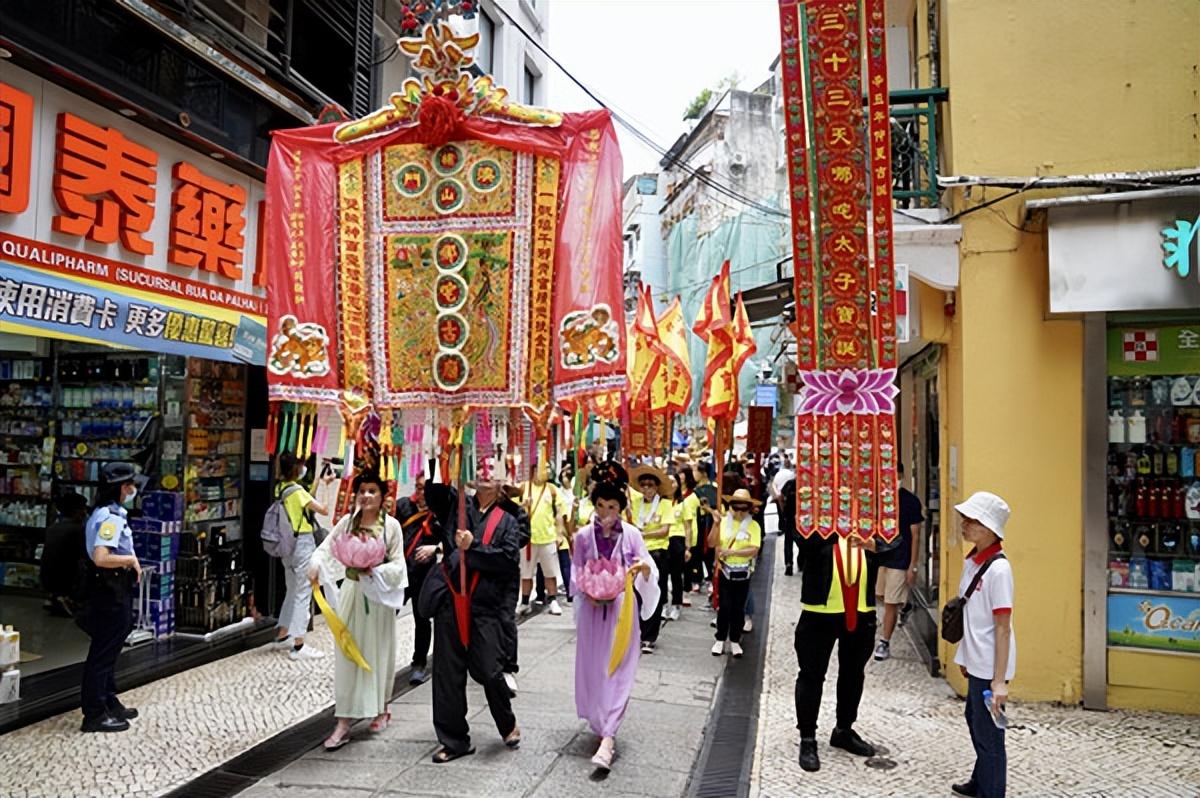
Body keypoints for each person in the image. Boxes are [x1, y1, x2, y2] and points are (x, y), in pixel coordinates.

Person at [419, 471, 522, 762]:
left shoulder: (509, 520)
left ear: (502, 483)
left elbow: (506, 561)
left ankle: (506, 721)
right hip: (451, 600)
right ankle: (454, 741)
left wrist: (472, 547)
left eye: (492, 470)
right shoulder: (457, 503)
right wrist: (436, 455)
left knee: (489, 670)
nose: (484, 473)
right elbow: (436, 492)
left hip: (485, 606)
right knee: (447, 673)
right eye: (480, 467)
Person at [307, 471, 408, 750]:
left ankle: (381, 707)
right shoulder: (346, 522)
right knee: (348, 655)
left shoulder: (392, 527)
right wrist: (315, 564)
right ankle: (344, 719)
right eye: (362, 491)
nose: (366, 496)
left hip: (377, 599)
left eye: (372, 491)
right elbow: (326, 548)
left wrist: (375, 570)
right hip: (351, 594)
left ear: (382, 496)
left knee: (378, 652)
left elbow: (400, 566)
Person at [571, 462, 658, 771]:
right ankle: (600, 723)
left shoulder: (632, 534)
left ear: (621, 507)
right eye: (601, 505)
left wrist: (642, 570)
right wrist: (586, 589)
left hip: (622, 609)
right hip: (593, 610)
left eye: (612, 506)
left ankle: (609, 736)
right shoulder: (583, 536)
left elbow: (647, 564)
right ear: (594, 505)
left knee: (618, 667)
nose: (606, 511)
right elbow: (576, 570)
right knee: (595, 669)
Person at [793, 531, 880, 772]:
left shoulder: (869, 511)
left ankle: (844, 729)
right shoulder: (818, 506)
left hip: (862, 609)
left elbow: (895, 541)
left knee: (854, 673)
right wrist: (833, 528)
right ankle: (808, 737)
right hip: (819, 609)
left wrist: (875, 545)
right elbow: (800, 536)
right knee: (811, 674)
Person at [951, 492, 1015, 798]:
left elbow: (1002, 628)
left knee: (990, 737)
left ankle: (991, 791)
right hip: (976, 661)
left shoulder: (999, 571)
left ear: (990, 528)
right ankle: (979, 782)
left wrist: (999, 681)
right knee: (975, 721)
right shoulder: (974, 561)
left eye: (972, 520)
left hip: (990, 667)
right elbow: (971, 615)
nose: (964, 524)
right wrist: (963, 654)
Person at [79, 463, 147, 733]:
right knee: (103, 652)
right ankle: (94, 714)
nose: (133, 490)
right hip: (110, 589)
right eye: (130, 485)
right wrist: (130, 560)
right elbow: (101, 557)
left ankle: (108, 701)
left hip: (110, 589)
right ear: (121, 487)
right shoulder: (110, 517)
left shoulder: (106, 513)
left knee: (109, 649)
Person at [271, 451, 331, 660]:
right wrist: (326, 488)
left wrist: (319, 482)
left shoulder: (282, 489)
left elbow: (306, 498)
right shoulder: (297, 492)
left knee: (292, 589)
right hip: (302, 545)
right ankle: (298, 645)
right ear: (296, 468)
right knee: (303, 592)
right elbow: (322, 509)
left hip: (287, 547)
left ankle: (283, 634)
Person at [396, 473, 449, 685]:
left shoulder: (441, 513)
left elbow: (452, 541)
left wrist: (434, 548)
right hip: (399, 574)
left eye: (425, 490)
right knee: (386, 616)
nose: (421, 494)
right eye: (418, 488)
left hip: (424, 575)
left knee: (422, 619)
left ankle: (419, 663)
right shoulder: (402, 507)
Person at [874, 465, 925, 661]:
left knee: (889, 603)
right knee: (880, 595)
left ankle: (884, 642)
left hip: (900, 559)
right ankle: (906, 606)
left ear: (901, 475)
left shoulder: (910, 501)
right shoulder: (879, 499)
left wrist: (913, 565)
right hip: (881, 557)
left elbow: (916, 534)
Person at [706, 489, 761, 658]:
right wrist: (715, 524)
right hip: (725, 570)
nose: (739, 512)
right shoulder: (722, 522)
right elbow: (711, 543)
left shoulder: (754, 525)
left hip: (743, 571)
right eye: (735, 507)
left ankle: (735, 640)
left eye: (743, 509)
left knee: (738, 607)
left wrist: (733, 553)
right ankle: (720, 638)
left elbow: (754, 548)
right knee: (725, 606)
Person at [630, 465, 673, 654]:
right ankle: (636, 631)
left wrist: (644, 534)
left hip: (657, 553)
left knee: (654, 593)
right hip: (638, 554)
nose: (646, 488)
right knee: (635, 594)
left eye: (650, 485)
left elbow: (665, 530)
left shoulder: (665, 505)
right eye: (643, 485)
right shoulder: (635, 503)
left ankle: (649, 636)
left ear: (656, 487)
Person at [517, 467, 566, 616]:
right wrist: (522, 505)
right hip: (528, 539)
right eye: (540, 468)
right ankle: (525, 602)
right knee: (526, 573)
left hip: (547, 537)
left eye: (545, 469)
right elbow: (511, 507)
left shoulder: (552, 490)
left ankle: (552, 599)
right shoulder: (523, 488)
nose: (543, 471)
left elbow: (559, 514)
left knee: (549, 572)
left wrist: (559, 534)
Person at [41, 491, 90, 617]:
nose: (85, 513)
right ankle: (68, 599)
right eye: (83, 509)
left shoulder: (53, 528)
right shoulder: (78, 530)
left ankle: (57, 596)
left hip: (47, 579)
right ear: (77, 511)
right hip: (65, 580)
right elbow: (85, 554)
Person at [664, 473, 695, 619]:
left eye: (674, 481)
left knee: (676, 575)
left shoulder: (684, 504)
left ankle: (677, 604)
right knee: (662, 575)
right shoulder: (661, 503)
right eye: (668, 482)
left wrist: (688, 548)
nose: (671, 485)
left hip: (678, 540)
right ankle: (664, 604)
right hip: (662, 540)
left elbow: (688, 527)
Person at [691, 461, 717, 594]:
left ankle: (709, 579)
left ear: (703, 473)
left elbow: (713, 505)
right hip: (695, 521)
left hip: (708, 522)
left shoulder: (712, 488)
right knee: (695, 550)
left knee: (707, 551)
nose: (693, 474)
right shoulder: (694, 489)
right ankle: (696, 578)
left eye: (695, 471)